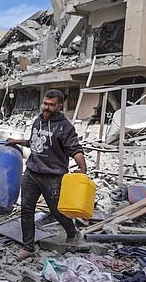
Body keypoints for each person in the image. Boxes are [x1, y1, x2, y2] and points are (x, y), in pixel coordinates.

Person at [6, 89, 87, 261]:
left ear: (59, 106)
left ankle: (72, 233)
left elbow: (75, 148)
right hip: (32, 173)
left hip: (53, 177)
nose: (46, 107)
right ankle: (28, 247)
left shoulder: (65, 127)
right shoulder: (38, 121)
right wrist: (18, 142)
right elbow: (35, 142)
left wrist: (83, 167)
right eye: (45, 103)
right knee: (26, 210)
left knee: (56, 210)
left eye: (51, 105)